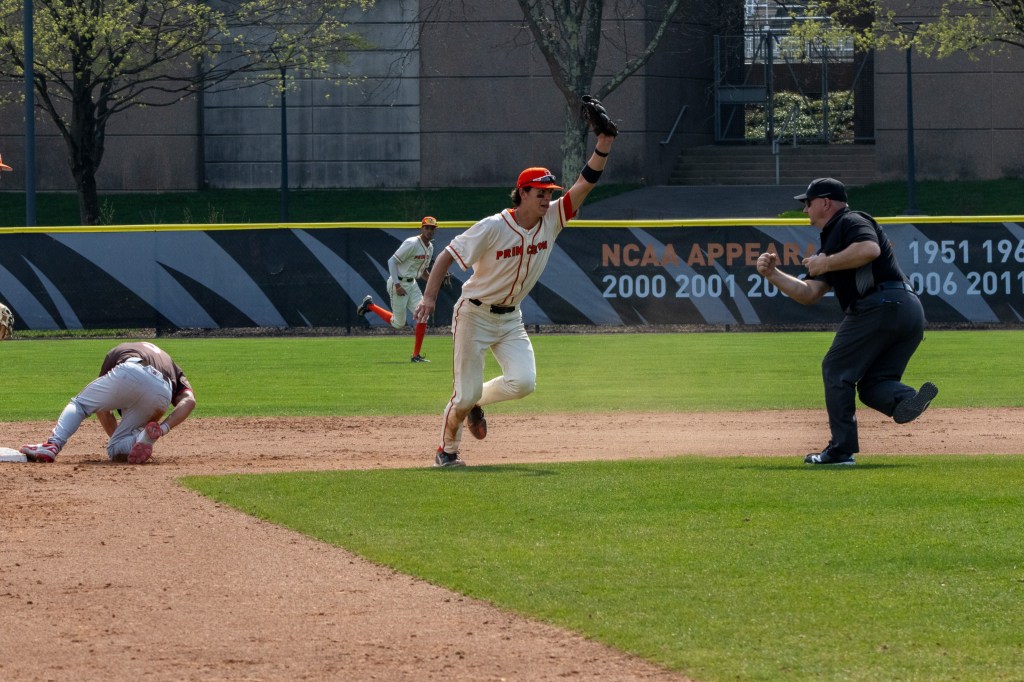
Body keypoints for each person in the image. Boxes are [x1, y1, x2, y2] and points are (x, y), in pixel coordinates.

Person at [414, 120, 616, 467]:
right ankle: (446, 450)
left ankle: (476, 402)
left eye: (550, 192)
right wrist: (429, 297)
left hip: (511, 319)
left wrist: (604, 143)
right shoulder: (494, 227)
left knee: (524, 383)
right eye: (541, 192)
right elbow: (447, 254)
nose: (547, 198)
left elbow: (586, 184)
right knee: (463, 397)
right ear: (522, 192)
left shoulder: (552, 220)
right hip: (474, 315)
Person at [755, 177, 938, 466]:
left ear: (825, 202)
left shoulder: (851, 220)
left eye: (808, 203)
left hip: (880, 305)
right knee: (873, 384)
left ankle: (840, 451)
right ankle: (907, 399)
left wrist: (825, 262)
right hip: (908, 310)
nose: (805, 211)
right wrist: (773, 275)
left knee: (836, 368)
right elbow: (809, 293)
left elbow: (870, 250)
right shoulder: (833, 243)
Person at [20, 341, 196, 464]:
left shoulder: (120, 349)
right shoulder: (173, 367)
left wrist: (116, 435)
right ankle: (140, 437)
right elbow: (189, 402)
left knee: (81, 405)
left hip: (131, 368)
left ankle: (53, 444)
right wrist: (163, 429)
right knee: (115, 449)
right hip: (163, 391)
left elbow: (102, 410)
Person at [357, 216, 438, 363]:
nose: (429, 231)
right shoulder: (412, 243)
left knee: (423, 315)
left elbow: (423, 272)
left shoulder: (430, 247)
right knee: (398, 324)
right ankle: (369, 305)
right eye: (427, 227)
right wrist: (397, 285)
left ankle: (416, 355)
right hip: (399, 283)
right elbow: (392, 261)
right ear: (421, 228)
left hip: (412, 284)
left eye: (432, 228)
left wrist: (436, 280)